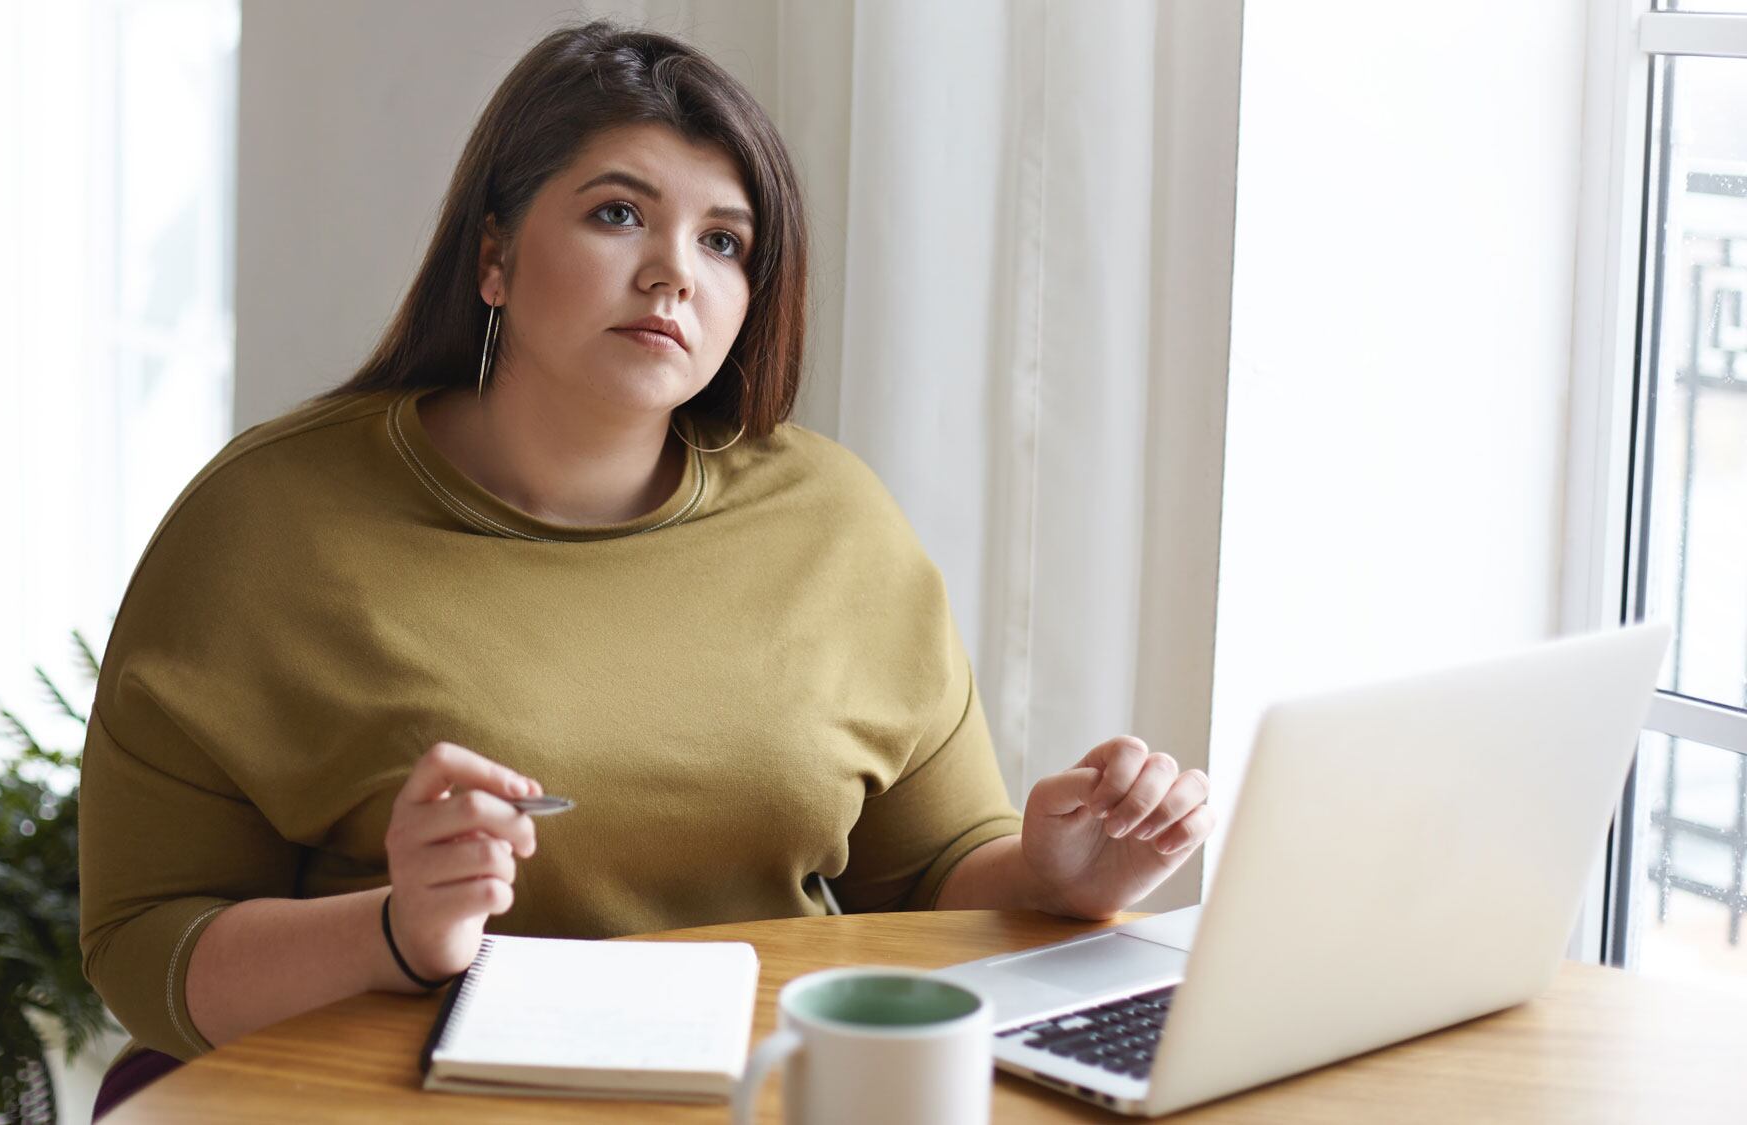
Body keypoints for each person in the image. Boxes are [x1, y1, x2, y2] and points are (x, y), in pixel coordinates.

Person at [79, 18, 1215, 1120]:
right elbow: (144, 946)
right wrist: (396, 929)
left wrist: (1063, 876)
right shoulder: (265, 523)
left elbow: (926, 881)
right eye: (619, 214)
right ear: (493, 257)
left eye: (725, 241)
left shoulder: (834, 518)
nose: (674, 272)